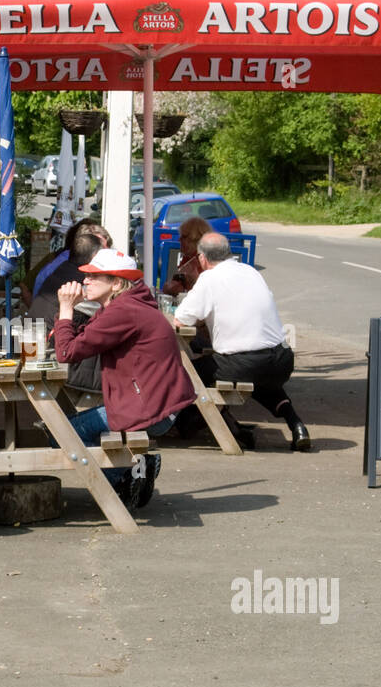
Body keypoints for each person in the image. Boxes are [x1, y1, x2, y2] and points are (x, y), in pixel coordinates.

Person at [53, 248, 196, 511]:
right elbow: (81, 340)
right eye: (87, 275)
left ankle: (125, 479)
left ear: (117, 283)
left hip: (153, 410)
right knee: (71, 427)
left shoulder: (123, 311)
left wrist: (65, 309)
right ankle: (139, 470)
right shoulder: (127, 305)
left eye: (95, 277)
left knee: (63, 433)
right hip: (160, 404)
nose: (85, 281)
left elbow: (66, 352)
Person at [174, 233, 311, 451]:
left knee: (188, 372)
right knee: (259, 378)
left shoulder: (210, 278)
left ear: (202, 258)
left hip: (246, 363)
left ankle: (215, 427)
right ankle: (296, 424)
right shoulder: (251, 272)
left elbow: (179, 321)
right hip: (282, 360)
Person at [27, 219, 112, 303]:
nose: (105, 257)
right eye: (101, 250)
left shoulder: (67, 261)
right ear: (85, 244)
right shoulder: (72, 268)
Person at [165, 216, 210, 297]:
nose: (179, 240)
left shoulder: (207, 261)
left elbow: (207, 293)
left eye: (184, 237)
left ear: (196, 239)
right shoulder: (189, 258)